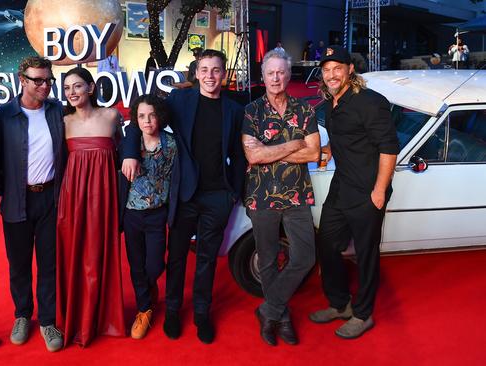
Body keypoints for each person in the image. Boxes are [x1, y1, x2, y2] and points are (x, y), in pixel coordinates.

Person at [122, 49, 246, 344]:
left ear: (224, 74)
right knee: (176, 258)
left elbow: (238, 156)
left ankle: (202, 312)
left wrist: (234, 193)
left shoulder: (234, 110)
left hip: (218, 196)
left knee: (206, 259)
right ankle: (174, 310)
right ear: (196, 73)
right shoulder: (180, 101)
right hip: (185, 196)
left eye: (216, 70)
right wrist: (129, 153)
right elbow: (142, 114)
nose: (210, 76)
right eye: (204, 69)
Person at [309, 46, 399, 339]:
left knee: (366, 255)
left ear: (350, 70)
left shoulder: (371, 102)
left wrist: (379, 191)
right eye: (326, 70)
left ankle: (363, 314)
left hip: (367, 192)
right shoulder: (330, 103)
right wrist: (325, 152)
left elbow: (388, 148)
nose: (331, 74)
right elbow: (344, 139)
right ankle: (340, 304)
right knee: (327, 246)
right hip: (342, 186)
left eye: (337, 68)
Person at [242, 50, 320, 346]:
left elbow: (313, 153)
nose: (276, 78)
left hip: (297, 194)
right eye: (270, 73)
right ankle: (282, 315)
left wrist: (270, 151)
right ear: (262, 77)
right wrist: (293, 143)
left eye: (281, 72)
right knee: (269, 259)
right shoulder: (251, 111)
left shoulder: (305, 110)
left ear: (289, 75)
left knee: (305, 257)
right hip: (261, 195)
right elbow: (253, 154)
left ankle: (269, 309)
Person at [0, 56, 65, 352]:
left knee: (48, 264)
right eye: (38, 80)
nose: (45, 85)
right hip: (16, 200)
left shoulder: (57, 110)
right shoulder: (2, 115)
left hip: (50, 198)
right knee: (19, 264)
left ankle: (48, 321)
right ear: (21, 79)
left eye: (48, 79)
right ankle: (22, 315)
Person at [56, 67, 126, 347]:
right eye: (68, 88)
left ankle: (99, 318)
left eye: (78, 86)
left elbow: (123, 154)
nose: (72, 92)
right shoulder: (63, 123)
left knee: (99, 253)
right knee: (74, 254)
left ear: (91, 87)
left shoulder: (111, 116)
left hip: (104, 195)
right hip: (72, 197)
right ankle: (75, 318)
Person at [119, 94, 178, 340]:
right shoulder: (129, 143)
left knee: (154, 265)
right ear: (135, 118)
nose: (147, 120)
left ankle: (149, 285)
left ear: (160, 117)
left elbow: (177, 177)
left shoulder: (172, 144)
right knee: (136, 264)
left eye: (152, 115)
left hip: (157, 214)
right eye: (141, 116)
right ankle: (144, 309)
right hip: (132, 214)